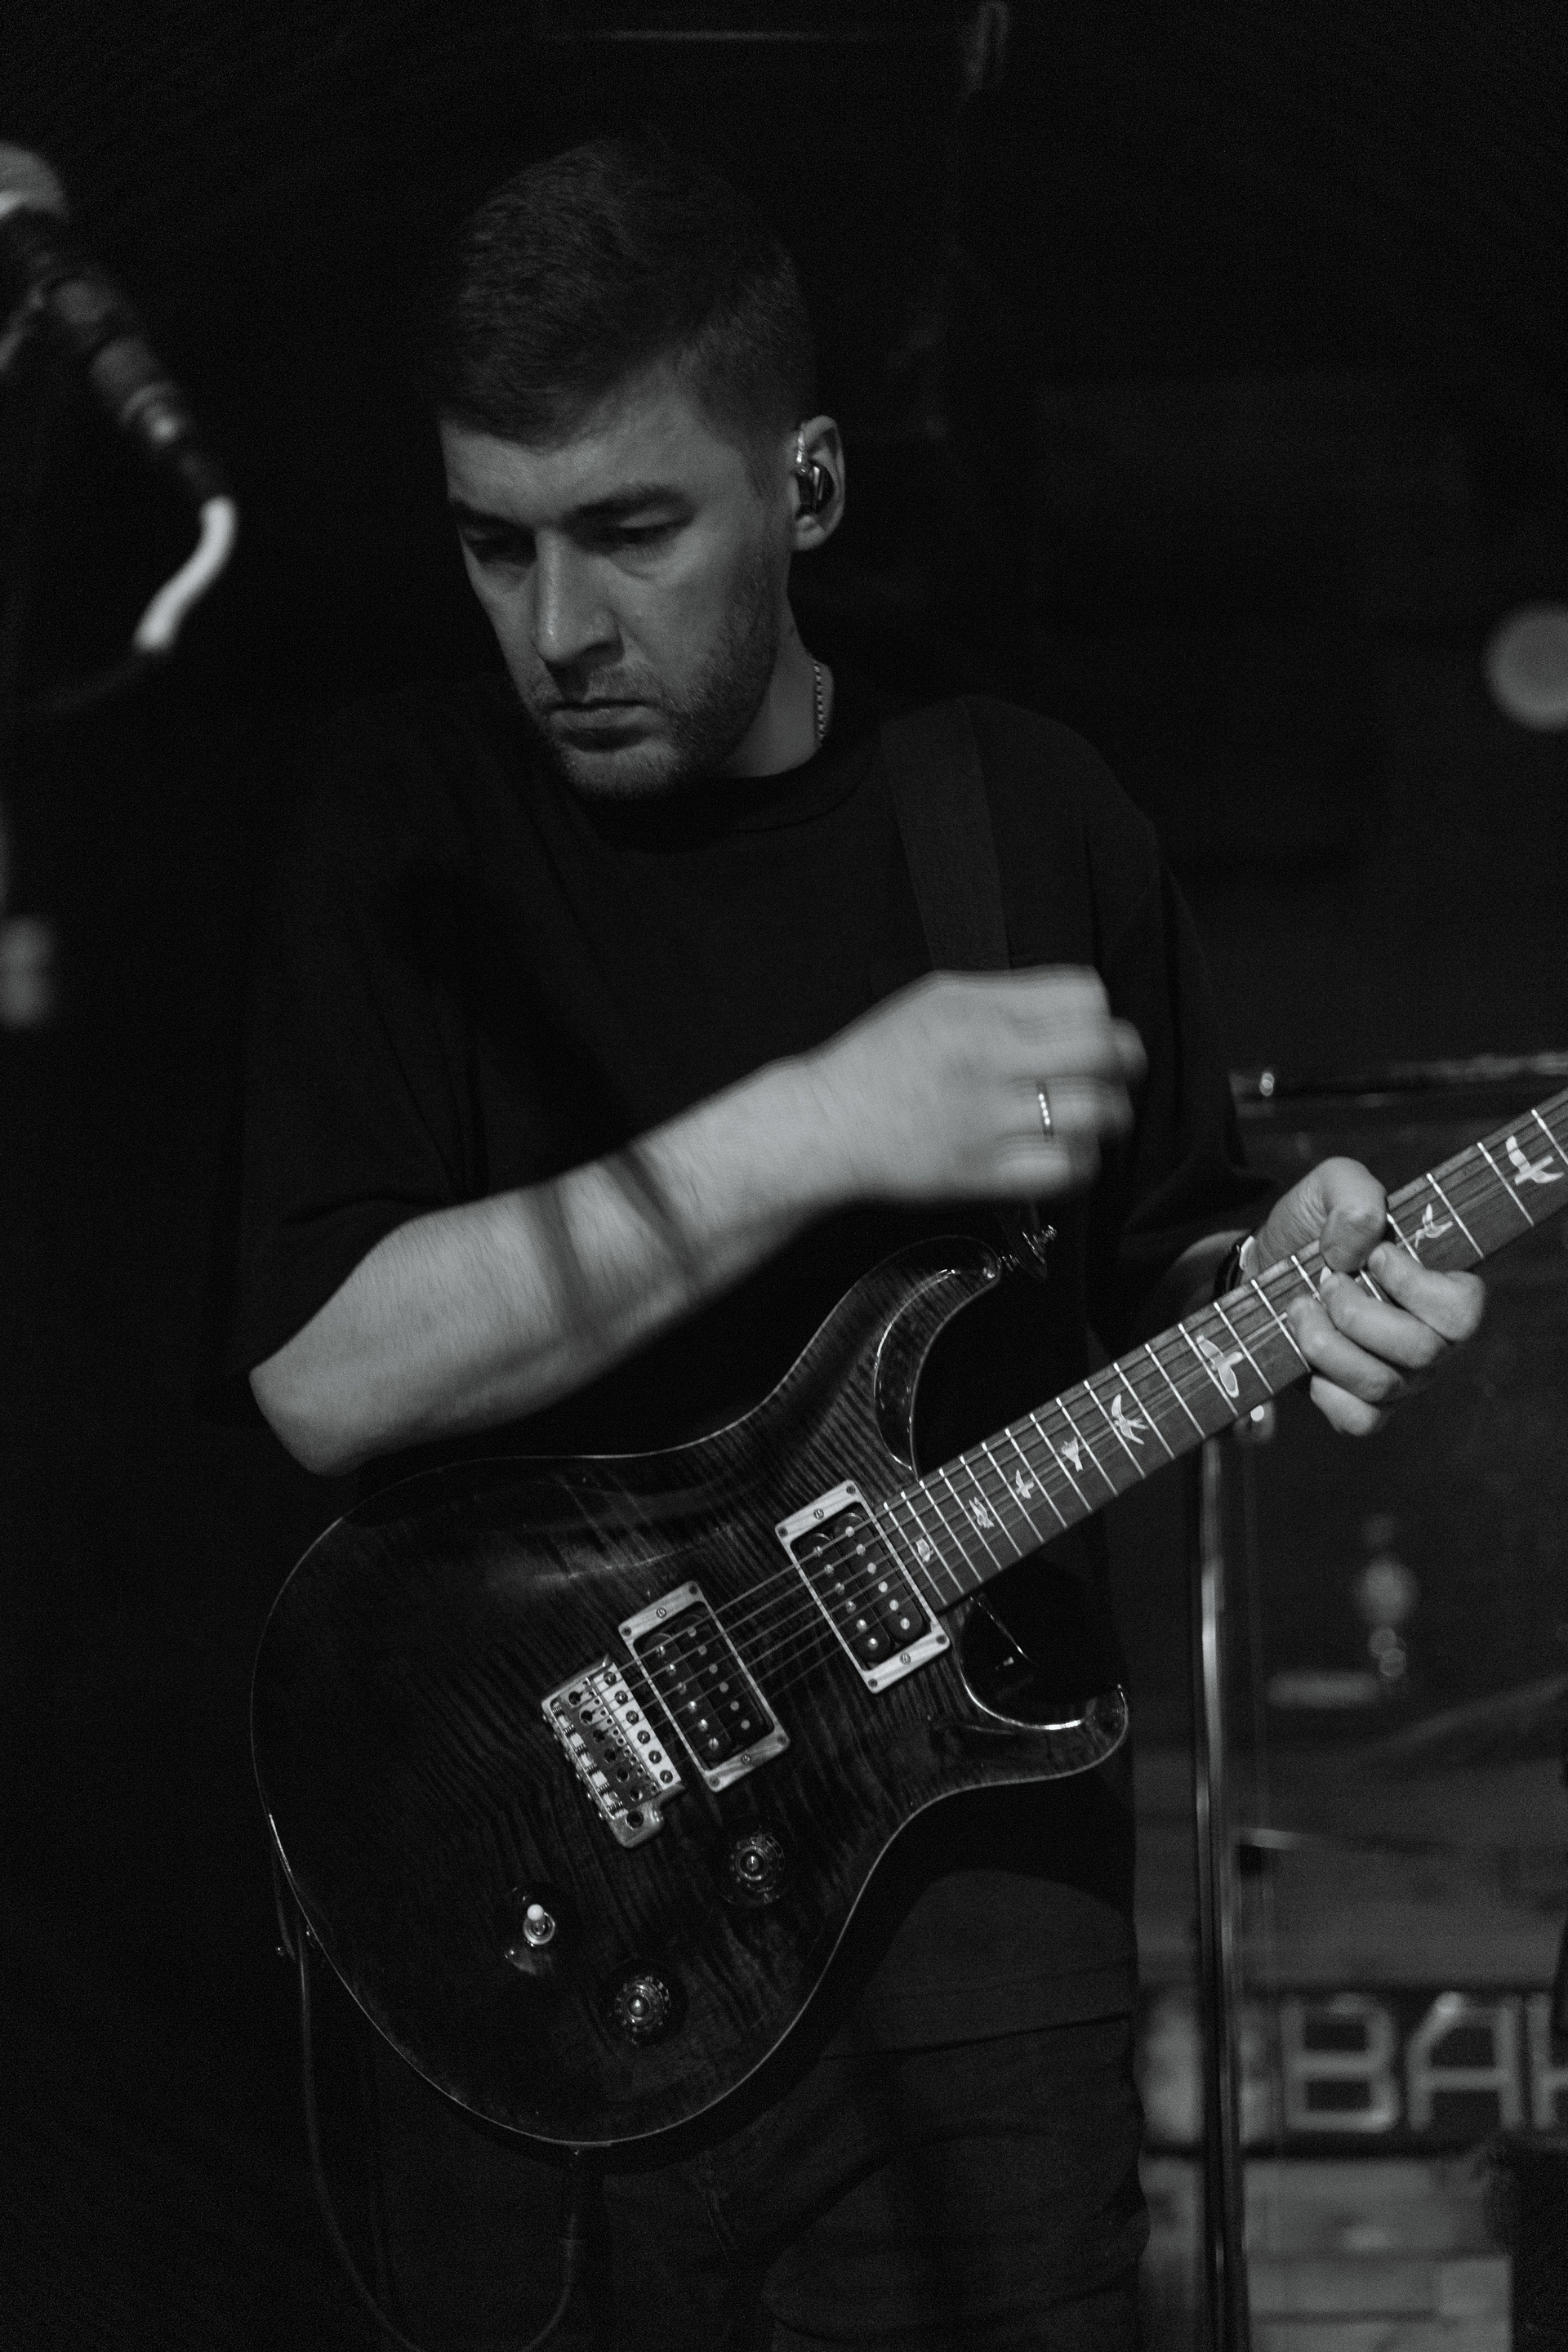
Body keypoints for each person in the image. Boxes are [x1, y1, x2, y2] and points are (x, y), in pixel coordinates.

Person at [221, 139, 1484, 2351]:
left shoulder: (1019, 819)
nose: (558, 629)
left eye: (633, 532)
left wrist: (1287, 1273)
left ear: (804, 489)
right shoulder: (405, 830)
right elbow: (326, 1372)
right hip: (535, 1919)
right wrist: (814, 1126)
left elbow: (1157, 1271)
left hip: (968, 1930)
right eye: (495, 545)